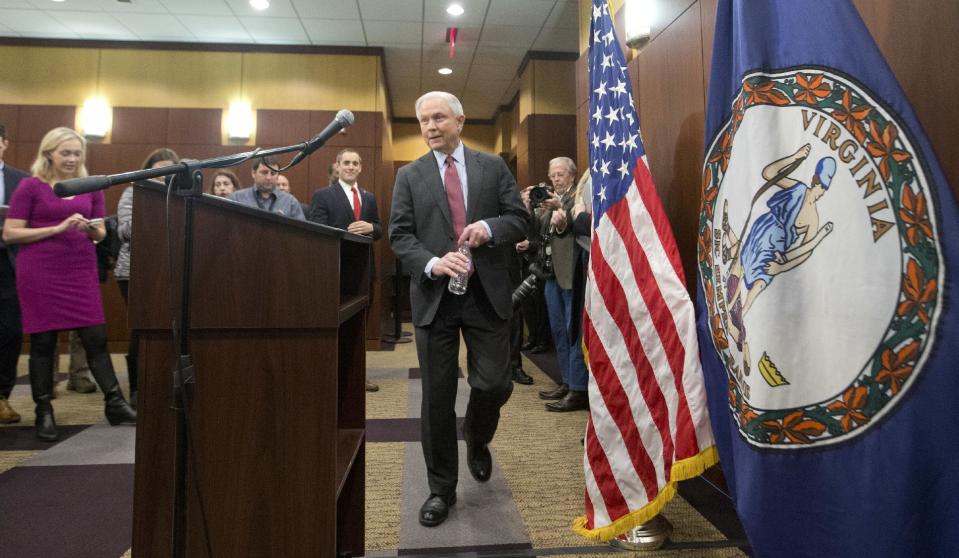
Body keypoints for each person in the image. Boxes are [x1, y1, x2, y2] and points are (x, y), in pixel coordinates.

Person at [389, 91, 527, 527]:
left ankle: (478, 436)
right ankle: (441, 490)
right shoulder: (409, 176)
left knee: (494, 385)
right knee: (437, 399)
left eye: (438, 118)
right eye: (423, 120)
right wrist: (433, 263)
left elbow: (519, 219)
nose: (430, 127)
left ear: (460, 120)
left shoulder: (492, 167)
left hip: (486, 295)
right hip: (435, 301)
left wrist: (489, 227)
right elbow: (400, 235)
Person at [1, 127, 136, 441]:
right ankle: (44, 411)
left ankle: (114, 403)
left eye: (77, 153)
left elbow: (102, 233)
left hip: (80, 270)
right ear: (49, 153)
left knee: (96, 337)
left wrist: (91, 229)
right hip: (39, 272)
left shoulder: (92, 187)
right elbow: (10, 234)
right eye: (66, 153)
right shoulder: (30, 187)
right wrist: (58, 227)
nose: (72, 159)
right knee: (44, 343)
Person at [309, 148, 383, 392]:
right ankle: (331, 378)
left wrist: (371, 227)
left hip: (364, 270)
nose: (351, 167)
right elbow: (318, 229)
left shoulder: (368, 197)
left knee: (359, 327)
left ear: (360, 167)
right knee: (336, 325)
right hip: (336, 270)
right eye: (346, 163)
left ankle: (358, 377)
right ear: (338, 167)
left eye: (355, 163)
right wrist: (347, 232)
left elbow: (380, 229)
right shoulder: (323, 196)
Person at [116, 147, 180, 407]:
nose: (162, 177)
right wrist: (153, 206)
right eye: (157, 172)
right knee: (141, 329)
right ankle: (136, 390)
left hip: (171, 268)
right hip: (134, 270)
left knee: (169, 330)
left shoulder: (180, 193)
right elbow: (124, 231)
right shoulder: (133, 192)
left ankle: (164, 386)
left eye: (168, 172)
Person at [527, 157, 589, 412]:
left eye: (560, 174)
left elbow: (576, 225)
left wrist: (558, 206)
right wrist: (532, 206)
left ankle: (578, 388)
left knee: (573, 330)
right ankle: (566, 380)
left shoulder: (579, 196)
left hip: (571, 273)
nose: (555, 179)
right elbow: (538, 230)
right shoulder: (551, 199)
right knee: (559, 332)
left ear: (572, 176)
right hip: (550, 274)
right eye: (552, 175)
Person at [0, 123, 29, 423]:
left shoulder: (21, 181)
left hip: (9, 265)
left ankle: (2, 397)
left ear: (4, 143)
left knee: (9, 332)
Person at [229, 156, 305, 220]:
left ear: (278, 175)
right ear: (253, 173)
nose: (269, 177)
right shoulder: (237, 198)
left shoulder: (290, 202)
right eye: (264, 172)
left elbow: (302, 234)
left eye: (273, 173)